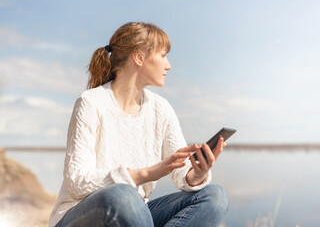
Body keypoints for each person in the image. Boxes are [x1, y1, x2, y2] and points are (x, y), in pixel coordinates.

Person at [49, 22, 228, 227]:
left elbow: (181, 175)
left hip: (135, 215)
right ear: (139, 57)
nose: (168, 65)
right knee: (123, 195)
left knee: (214, 196)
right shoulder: (91, 102)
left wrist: (197, 172)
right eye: (163, 55)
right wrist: (145, 174)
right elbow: (76, 182)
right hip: (80, 216)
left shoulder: (161, 108)